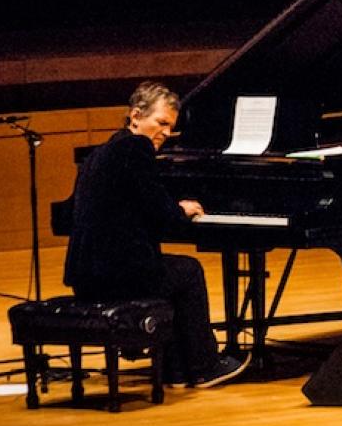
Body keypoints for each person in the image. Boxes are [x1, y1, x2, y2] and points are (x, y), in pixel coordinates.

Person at [63, 80, 251, 387]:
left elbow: (125, 205)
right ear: (136, 115)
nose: (165, 133)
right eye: (161, 123)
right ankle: (203, 365)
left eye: (171, 127)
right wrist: (181, 210)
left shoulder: (101, 152)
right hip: (116, 276)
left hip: (86, 277)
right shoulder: (135, 148)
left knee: (168, 269)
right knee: (187, 270)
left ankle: (176, 369)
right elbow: (159, 212)